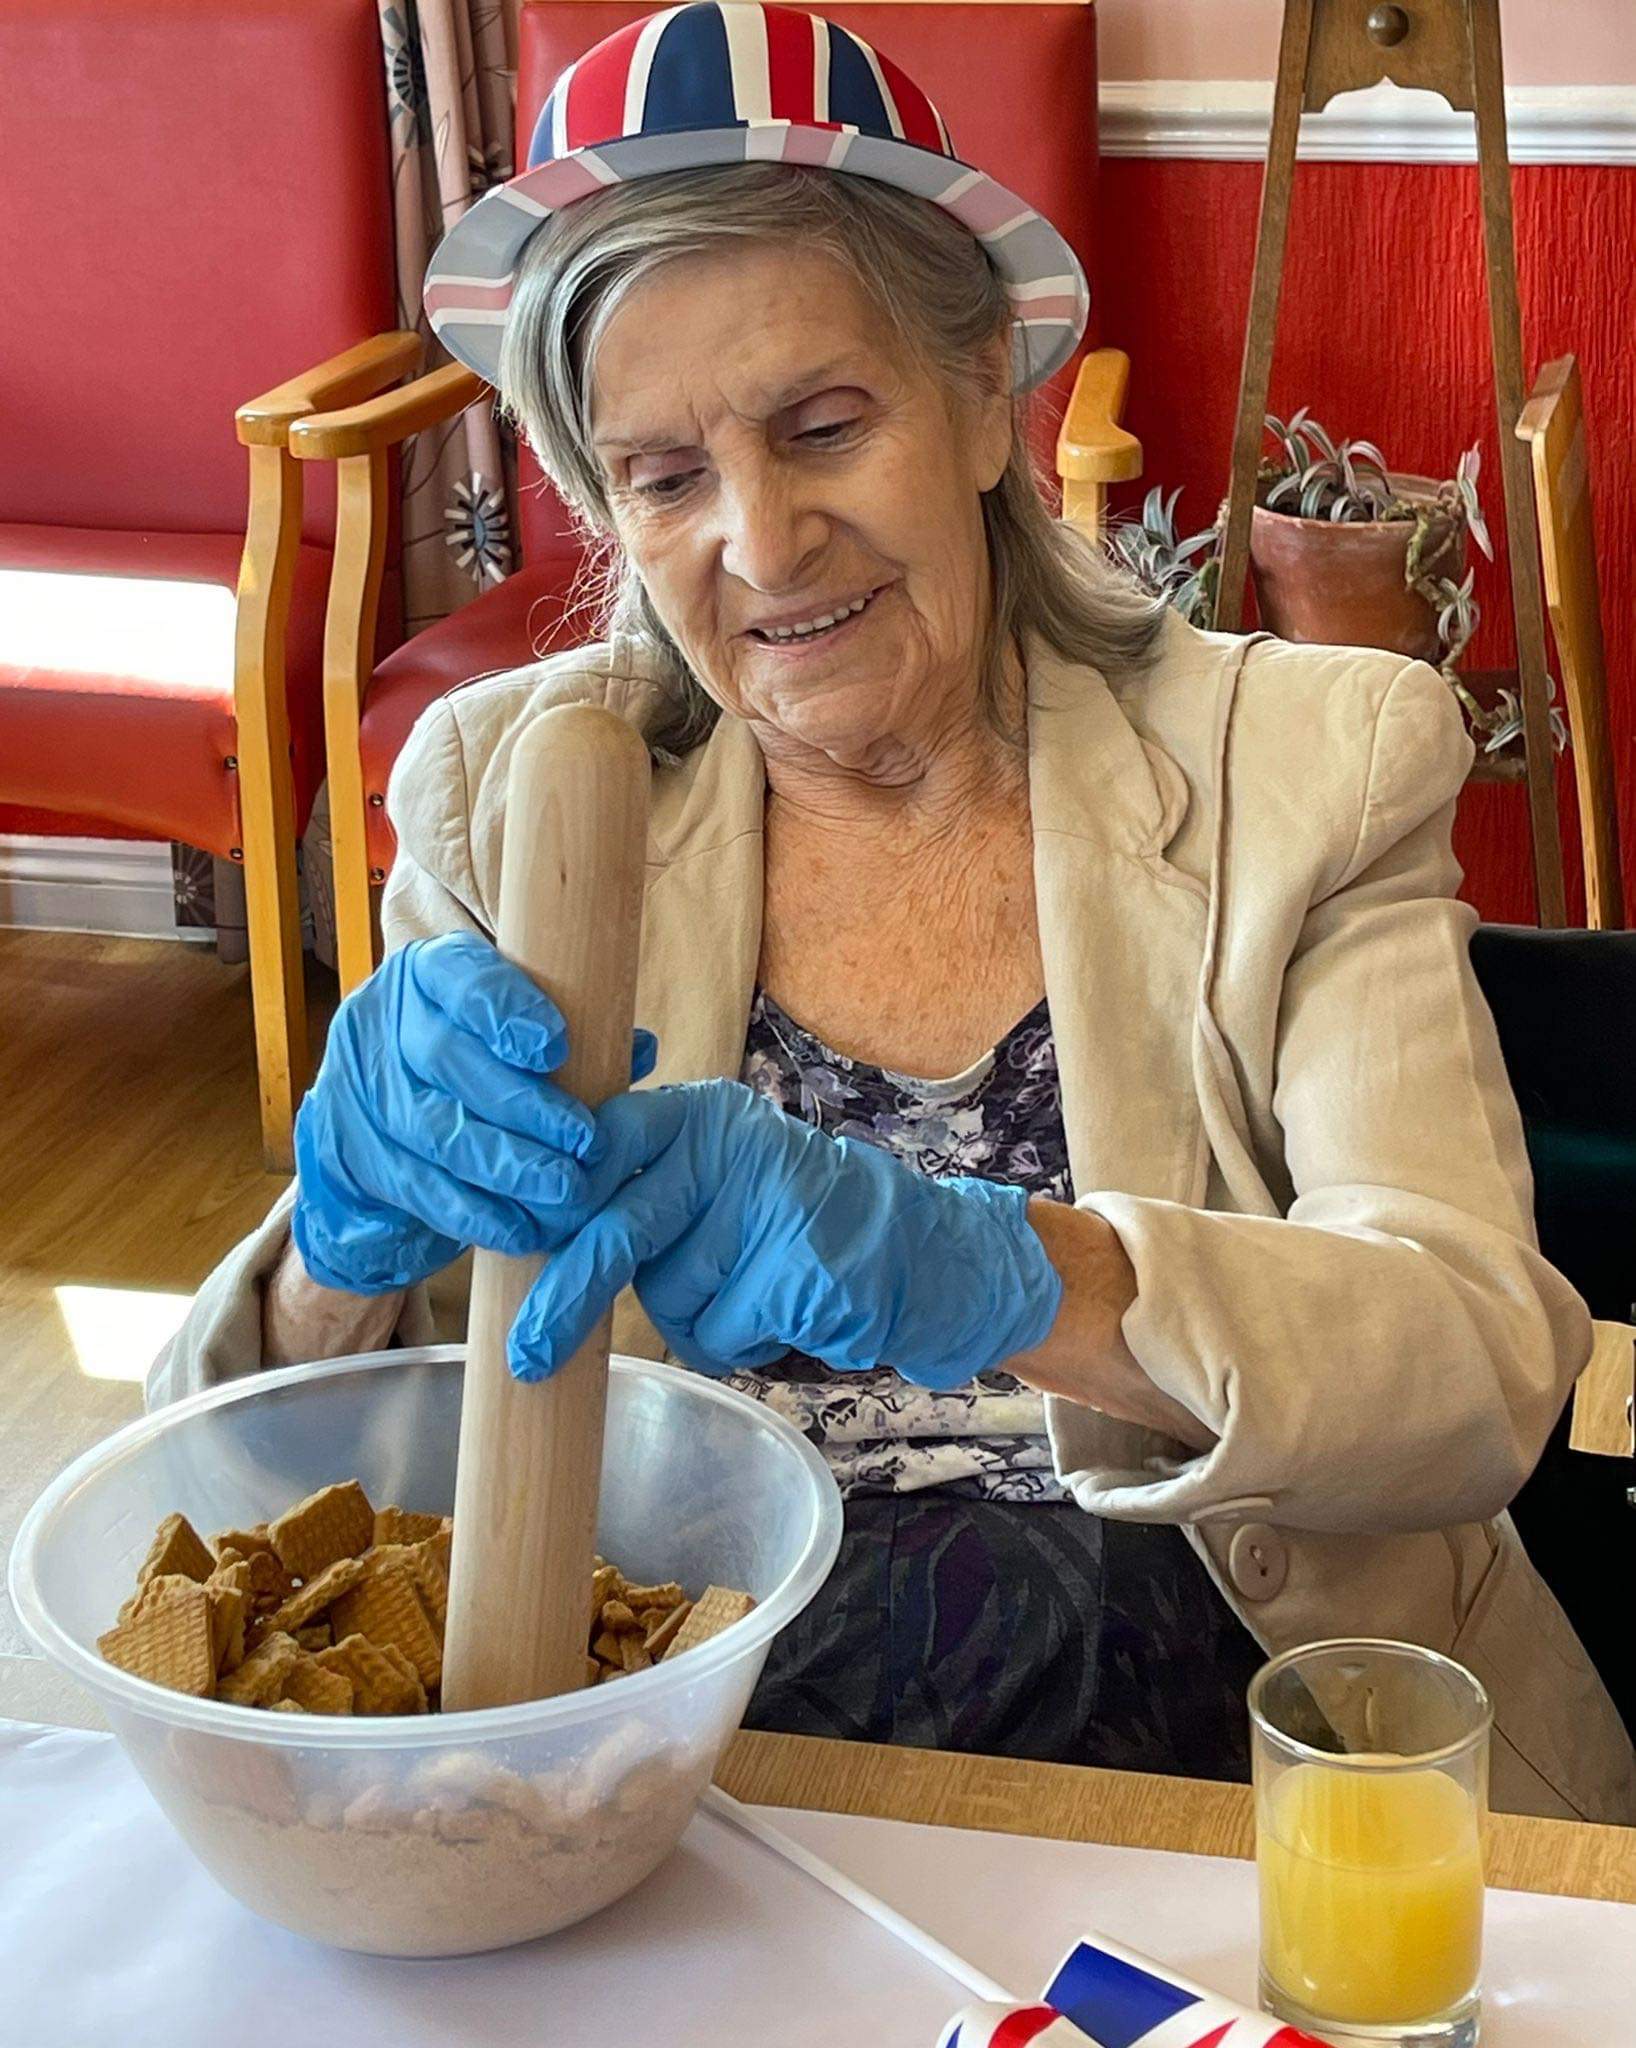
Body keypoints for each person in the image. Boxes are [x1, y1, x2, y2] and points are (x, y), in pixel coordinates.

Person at [152, 2, 1634, 1821]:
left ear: (987, 397)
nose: (764, 543)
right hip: (692, 1795)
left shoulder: (1310, 764)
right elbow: (244, 1504)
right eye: (667, 477)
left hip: (1228, 1787)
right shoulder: (511, 796)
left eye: (826, 426)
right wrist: (340, 1255)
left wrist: (1007, 1270)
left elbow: (1476, 1370)